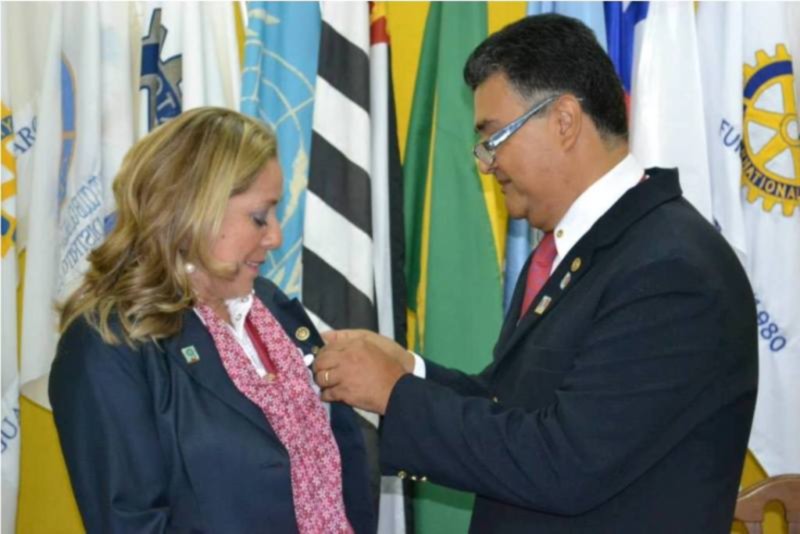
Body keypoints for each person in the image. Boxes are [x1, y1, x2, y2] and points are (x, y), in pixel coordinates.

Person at [313, 14, 758, 533]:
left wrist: (394, 394)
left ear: (564, 121)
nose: (486, 164)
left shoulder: (672, 270)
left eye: (494, 137)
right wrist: (409, 371)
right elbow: (515, 406)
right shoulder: (580, 249)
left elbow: (564, 462)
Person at [50, 107, 375, 534]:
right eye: (259, 217)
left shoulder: (271, 306)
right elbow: (131, 522)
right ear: (192, 210)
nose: (275, 236)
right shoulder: (108, 343)